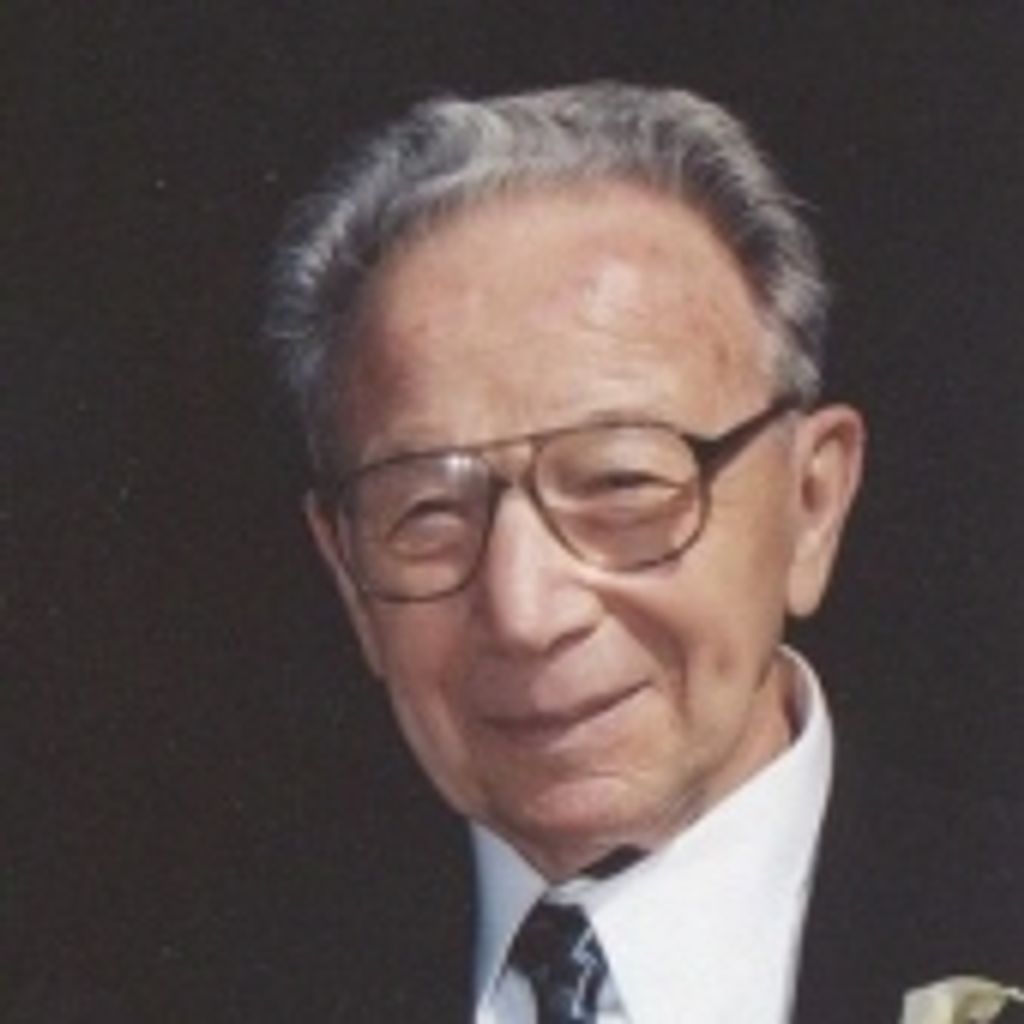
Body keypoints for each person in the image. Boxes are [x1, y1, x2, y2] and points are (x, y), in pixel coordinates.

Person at [14, 81, 1018, 1024]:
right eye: (428, 511)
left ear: (812, 501)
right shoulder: (169, 980)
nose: (526, 610)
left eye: (620, 482)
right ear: (348, 572)